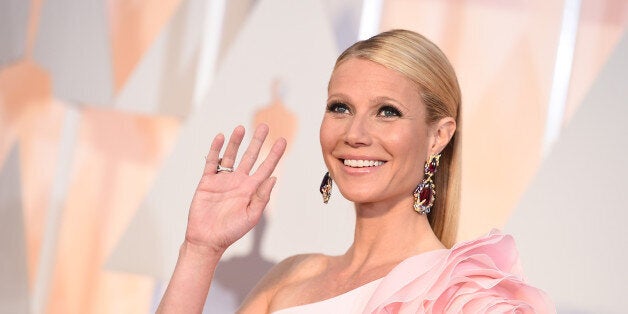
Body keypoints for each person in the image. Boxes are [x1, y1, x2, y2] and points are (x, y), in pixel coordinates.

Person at [157, 29, 554, 313]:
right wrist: (200, 250)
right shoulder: (291, 278)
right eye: (340, 107)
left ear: (438, 136)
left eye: (387, 112)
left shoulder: (466, 298)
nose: (355, 134)